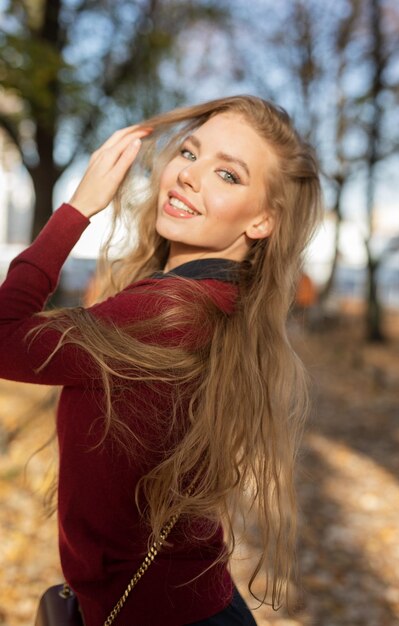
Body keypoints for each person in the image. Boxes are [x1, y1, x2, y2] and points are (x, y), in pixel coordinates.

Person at [0, 95, 322, 625]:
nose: (190, 176)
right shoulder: (219, 302)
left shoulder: (169, 312)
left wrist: (77, 208)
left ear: (263, 220)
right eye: (190, 153)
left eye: (228, 174)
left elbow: (4, 335)